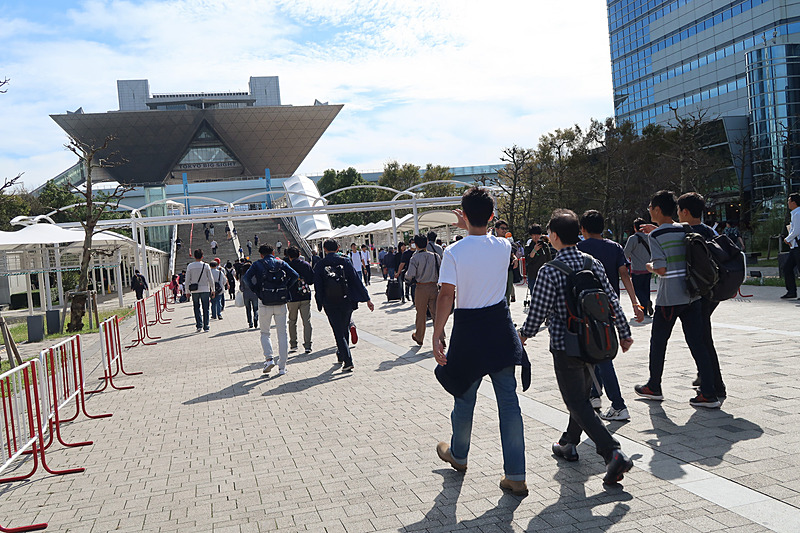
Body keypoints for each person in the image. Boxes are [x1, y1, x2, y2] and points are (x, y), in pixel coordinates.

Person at [519, 209, 634, 485]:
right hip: (594, 341)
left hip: (565, 344)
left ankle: (612, 452)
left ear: (555, 236)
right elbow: (610, 298)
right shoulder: (591, 262)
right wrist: (624, 332)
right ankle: (569, 443)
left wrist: (523, 335)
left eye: (549, 233)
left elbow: (538, 311)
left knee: (575, 400)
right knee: (581, 396)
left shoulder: (550, 270)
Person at [432, 187, 531, 496]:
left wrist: (437, 333)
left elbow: (446, 295)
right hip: (500, 328)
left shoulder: (453, 252)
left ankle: (459, 455)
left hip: (469, 331)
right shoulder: (504, 246)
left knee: (464, 396)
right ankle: (516, 474)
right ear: (492, 216)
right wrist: (475, 226)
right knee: (509, 402)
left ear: (462, 215)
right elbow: (490, 242)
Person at [634, 190, 721, 408]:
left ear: (656, 209)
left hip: (669, 298)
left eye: (650, 208)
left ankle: (654, 386)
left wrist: (649, 267)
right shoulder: (685, 229)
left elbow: (661, 268)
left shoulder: (655, 236)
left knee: (658, 342)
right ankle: (709, 394)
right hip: (692, 295)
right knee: (698, 343)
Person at [577, 210, 644, 422]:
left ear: (583, 229)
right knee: (599, 350)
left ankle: (618, 404)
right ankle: (595, 395)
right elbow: (625, 274)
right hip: (607, 307)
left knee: (598, 355)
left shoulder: (578, 249)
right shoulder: (614, 247)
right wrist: (635, 302)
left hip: (584, 309)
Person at [678, 192, 727, 399]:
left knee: (700, 339)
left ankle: (715, 386)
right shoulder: (708, 231)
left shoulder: (685, 233)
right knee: (705, 338)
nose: (678, 214)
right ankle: (710, 380)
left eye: (679, 210)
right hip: (713, 291)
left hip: (698, 293)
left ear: (686, 211)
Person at [313, 239, 374, 372]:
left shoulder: (320, 264)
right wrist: (367, 298)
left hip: (329, 301)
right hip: (346, 300)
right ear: (338, 247)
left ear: (324, 249)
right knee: (344, 327)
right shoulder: (345, 261)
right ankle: (341, 354)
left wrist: (319, 302)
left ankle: (347, 360)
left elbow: (318, 285)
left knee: (338, 331)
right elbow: (356, 281)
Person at [242, 244, 299, 376]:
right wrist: (286, 287)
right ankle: (282, 367)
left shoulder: (257, 264)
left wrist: (257, 290)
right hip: (280, 300)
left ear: (261, 254)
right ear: (273, 252)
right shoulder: (280, 263)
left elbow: (246, 278)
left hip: (264, 301)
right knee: (282, 334)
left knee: (265, 333)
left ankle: (269, 359)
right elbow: (295, 275)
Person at [406, 234, 441, 346]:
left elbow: (410, 274)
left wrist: (407, 279)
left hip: (421, 287)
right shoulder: (435, 256)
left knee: (420, 314)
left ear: (415, 245)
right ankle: (441, 338)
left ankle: (419, 337)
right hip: (434, 287)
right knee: (436, 314)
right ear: (426, 243)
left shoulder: (414, 258)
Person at [286, 246, 314, 354]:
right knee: (306, 321)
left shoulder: (287, 266)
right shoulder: (305, 265)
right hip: (305, 295)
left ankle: (293, 344)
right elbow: (311, 280)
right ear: (299, 254)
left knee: (292, 321)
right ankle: (308, 345)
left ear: (289, 256)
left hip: (292, 297)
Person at [624, 218, 654, 317]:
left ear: (635, 228)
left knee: (637, 289)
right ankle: (646, 307)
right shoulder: (650, 237)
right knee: (646, 289)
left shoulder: (633, 238)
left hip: (637, 269)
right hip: (649, 268)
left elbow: (625, 253)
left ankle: (645, 303)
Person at [186, 249, 215, 332]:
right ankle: (206, 326)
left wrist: (187, 291)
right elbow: (211, 279)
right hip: (205, 289)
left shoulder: (190, 266)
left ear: (194, 256)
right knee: (206, 308)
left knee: (196, 307)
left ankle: (199, 325)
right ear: (202, 256)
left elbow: (187, 279)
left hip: (194, 290)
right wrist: (212, 289)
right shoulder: (206, 266)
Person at [524, 224, 552, 297]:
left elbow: (549, 260)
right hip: (533, 275)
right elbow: (528, 260)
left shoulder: (545, 246)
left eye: (538, 234)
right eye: (533, 235)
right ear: (531, 235)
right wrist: (534, 250)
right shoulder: (528, 247)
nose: (536, 237)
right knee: (535, 296)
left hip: (545, 276)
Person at [781, 192, 800, 299]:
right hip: (794, 247)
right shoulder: (795, 213)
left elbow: (797, 230)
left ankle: (792, 291)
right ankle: (791, 291)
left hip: (798, 247)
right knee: (787, 268)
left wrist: (787, 239)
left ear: (794, 202)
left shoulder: (798, 213)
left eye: (789, 201)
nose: (788, 203)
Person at [236, 259, 258, 328]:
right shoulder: (255, 275)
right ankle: (256, 317)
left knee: (248, 309)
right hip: (254, 293)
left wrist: (242, 290)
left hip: (246, 294)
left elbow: (241, 287)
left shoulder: (242, 276)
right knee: (255, 308)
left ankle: (250, 322)